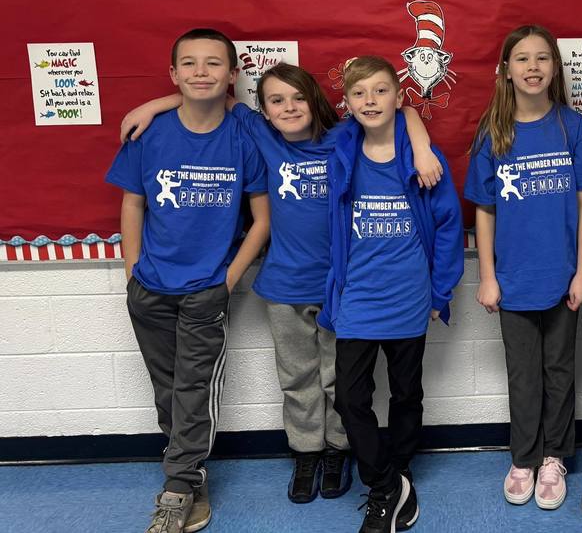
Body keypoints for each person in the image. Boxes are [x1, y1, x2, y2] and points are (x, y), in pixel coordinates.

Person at [119, 62, 441, 507]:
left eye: (298, 98)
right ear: (265, 111)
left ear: (317, 101)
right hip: (285, 285)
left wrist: (420, 140)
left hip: (340, 289)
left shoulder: (342, 138)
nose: (289, 108)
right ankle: (306, 453)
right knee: (297, 379)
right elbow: (215, 99)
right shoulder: (263, 138)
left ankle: (339, 452)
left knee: (338, 382)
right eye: (276, 101)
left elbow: (394, 111)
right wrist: (159, 102)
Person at [106, 28, 270, 533]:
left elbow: (261, 219)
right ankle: (188, 473)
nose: (202, 72)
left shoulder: (245, 132)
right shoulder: (149, 133)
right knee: (168, 388)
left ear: (233, 74)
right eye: (190, 64)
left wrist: (227, 280)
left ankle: (178, 485)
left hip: (206, 291)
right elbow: (132, 201)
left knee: (194, 388)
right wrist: (132, 268)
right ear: (174, 73)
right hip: (150, 288)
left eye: (214, 63)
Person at [465, 25, 582, 510]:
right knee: (522, 373)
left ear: (555, 68)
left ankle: (555, 456)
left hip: (562, 277)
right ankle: (524, 457)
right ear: (505, 70)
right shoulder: (493, 132)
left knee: (559, 369)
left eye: (543, 58)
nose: (533, 67)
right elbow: (483, 211)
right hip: (512, 280)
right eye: (522, 59)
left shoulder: (573, 128)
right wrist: (486, 276)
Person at [320, 57, 463, 533]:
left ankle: (401, 470)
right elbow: (273, 123)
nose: (370, 101)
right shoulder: (340, 150)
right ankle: (384, 485)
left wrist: (439, 290)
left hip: (409, 297)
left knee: (406, 393)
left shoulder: (423, 158)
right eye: (359, 93)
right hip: (358, 297)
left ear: (399, 98)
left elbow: (447, 226)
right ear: (347, 103)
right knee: (351, 399)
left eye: (381, 91)